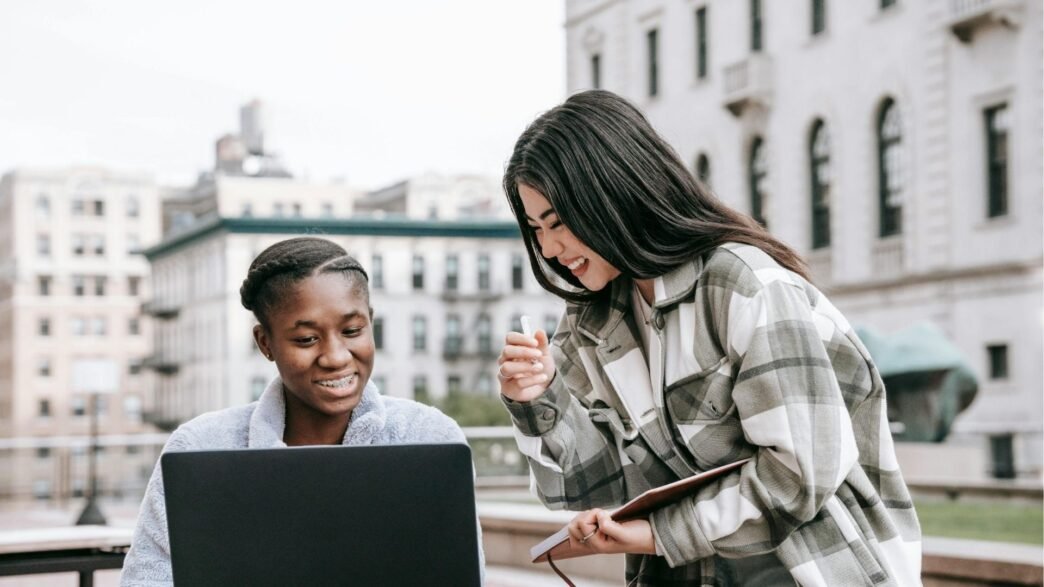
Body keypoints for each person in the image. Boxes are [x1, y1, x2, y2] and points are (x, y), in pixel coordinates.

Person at [497, 90, 922, 586]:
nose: (549, 248)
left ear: (609, 193)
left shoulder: (745, 285)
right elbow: (584, 487)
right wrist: (539, 399)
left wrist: (658, 534)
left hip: (811, 570)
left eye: (558, 222)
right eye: (535, 229)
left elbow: (800, 476)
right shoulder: (590, 322)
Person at [121, 237, 478, 586]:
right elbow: (146, 578)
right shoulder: (199, 447)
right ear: (266, 343)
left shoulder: (428, 436)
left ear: (370, 322)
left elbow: (462, 574)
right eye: (307, 339)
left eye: (353, 330)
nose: (336, 356)